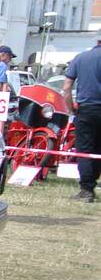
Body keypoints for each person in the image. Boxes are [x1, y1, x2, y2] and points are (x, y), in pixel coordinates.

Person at [63, 37, 101, 202]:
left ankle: (86, 189)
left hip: (86, 110)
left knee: (85, 150)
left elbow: (66, 87)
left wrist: (71, 109)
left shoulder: (80, 58)